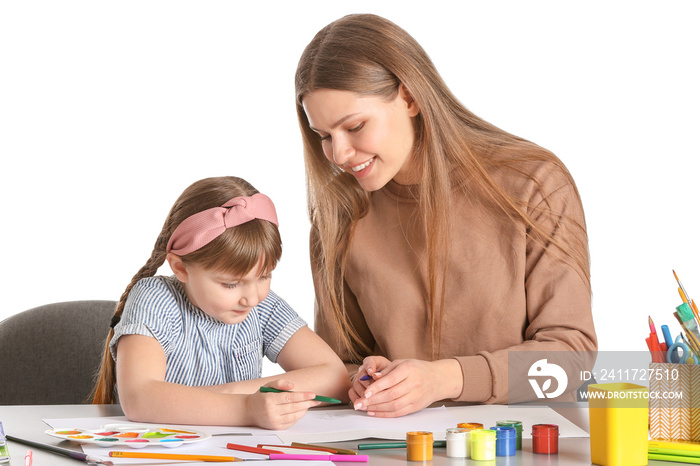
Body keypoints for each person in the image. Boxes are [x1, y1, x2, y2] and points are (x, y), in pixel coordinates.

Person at [295, 14, 597, 418]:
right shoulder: (339, 215)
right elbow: (338, 364)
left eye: (355, 126)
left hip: (517, 444)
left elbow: (573, 359)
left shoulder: (532, 182)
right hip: (393, 447)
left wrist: (445, 379)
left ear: (410, 97)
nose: (340, 154)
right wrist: (364, 378)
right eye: (324, 137)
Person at [92, 176, 350, 429]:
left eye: (264, 276)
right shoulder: (154, 298)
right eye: (230, 284)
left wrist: (234, 393)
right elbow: (140, 398)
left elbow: (335, 377)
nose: (252, 297)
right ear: (181, 268)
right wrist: (246, 407)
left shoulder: (262, 305)